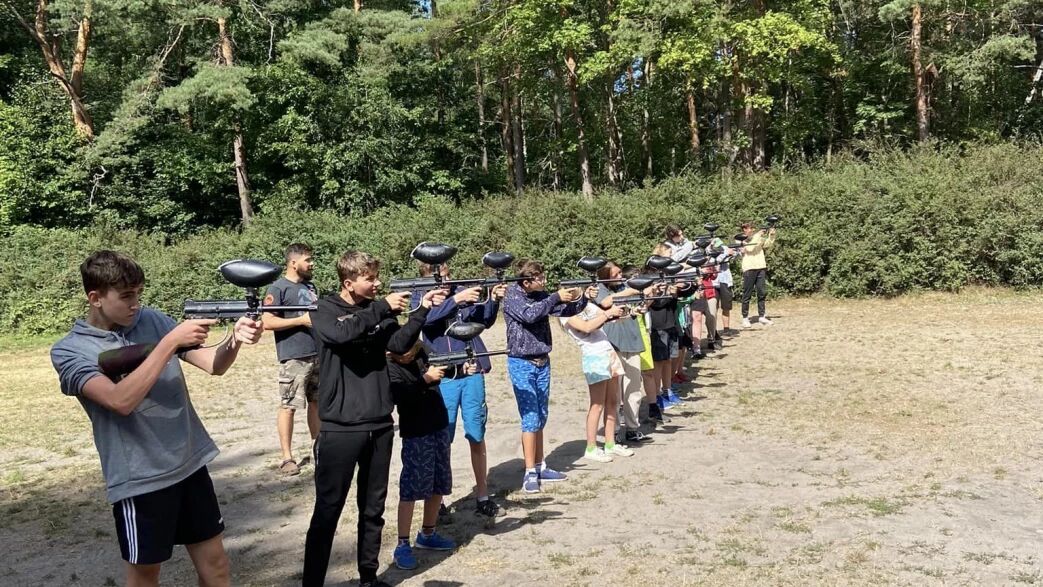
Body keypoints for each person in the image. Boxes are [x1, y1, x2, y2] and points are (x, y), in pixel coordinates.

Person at [50, 250, 263, 587]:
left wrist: (235, 338)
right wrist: (168, 343)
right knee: (145, 577)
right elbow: (120, 401)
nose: (136, 304)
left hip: (189, 463)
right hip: (140, 477)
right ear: (95, 298)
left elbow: (213, 365)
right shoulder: (70, 351)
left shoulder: (150, 319)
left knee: (217, 567)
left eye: (138, 293)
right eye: (126, 296)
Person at [302, 250, 446, 587]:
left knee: (373, 509)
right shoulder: (324, 310)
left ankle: (369, 578)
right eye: (370, 278)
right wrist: (381, 307)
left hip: (380, 424)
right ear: (348, 283)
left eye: (377, 277)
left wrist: (422, 310)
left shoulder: (376, 310)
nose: (377, 283)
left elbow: (398, 343)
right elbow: (340, 334)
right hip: (340, 429)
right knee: (328, 511)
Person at [413, 262, 507, 519]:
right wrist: (455, 299)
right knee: (443, 439)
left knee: (476, 434)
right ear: (427, 278)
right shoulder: (421, 297)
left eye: (448, 276)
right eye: (441, 278)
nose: (446, 281)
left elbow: (483, 321)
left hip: (471, 371)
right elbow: (426, 320)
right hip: (443, 377)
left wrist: (493, 300)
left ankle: (483, 496)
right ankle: (438, 500)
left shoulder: (459, 290)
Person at [502, 259, 591, 494]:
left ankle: (540, 465)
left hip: (543, 361)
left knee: (541, 416)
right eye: (540, 278)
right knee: (530, 417)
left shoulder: (542, 296)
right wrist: (554, 297)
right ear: (526, 281)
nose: (544, 281)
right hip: (522, 362)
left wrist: (584, 298)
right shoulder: (512, 296)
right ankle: (529, 471)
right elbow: (529, 315)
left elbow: (566, 310)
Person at [388, 341, 458, 571]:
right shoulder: (389, 366)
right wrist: (425, 379)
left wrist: (459, 367)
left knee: (439, 481)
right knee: (411, 488)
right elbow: (400, 396)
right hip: (416, 432)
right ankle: (402, 544)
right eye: (402, 354)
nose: (408, 356)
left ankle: (428, 532)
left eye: (411, 351)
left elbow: (446, 364)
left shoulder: (423, 352)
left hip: (438, 424)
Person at [262, 243, 320, 476]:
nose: (312, 264)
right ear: (293, 263)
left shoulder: (310, 286)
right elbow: (267, 322)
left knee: (317, 403)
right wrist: (300, 321)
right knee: (289, 406)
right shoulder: (277, 288)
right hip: (294, 357)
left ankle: (319, 451)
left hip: (317, 354)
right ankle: (287, 458)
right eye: (308, 260)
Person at [559, 300, 633, 462]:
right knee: (597, 404)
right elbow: (587, 327)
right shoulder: (565, 312)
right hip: (594, 357)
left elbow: (608, 317)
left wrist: (629, 312)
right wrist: (608, 313)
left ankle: (610, 443)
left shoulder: (587, 305)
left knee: (613, 402)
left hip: (608, 352)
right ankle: (591, 448)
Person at [594, 262, 653, 444]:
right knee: (614, 392)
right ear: (605, 276)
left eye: (621, 273)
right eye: (616, 274)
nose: (621, 276)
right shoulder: (599, 288)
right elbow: (605, 302)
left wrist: (650, 294)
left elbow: (642, 303)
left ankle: (632, 428)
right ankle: (614, 431)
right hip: (612, 343)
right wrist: (630, 291)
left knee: (633, 389)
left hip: (632, 341)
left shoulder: (625, 287)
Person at [739, 221, 778, 328]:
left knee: (761, 292)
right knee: (747, 294)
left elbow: (768, 244)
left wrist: (771, 234)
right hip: (749, 268)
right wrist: (758, 235)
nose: (751, 230)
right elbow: (749, 248)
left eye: (752, 228)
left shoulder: (757, 237)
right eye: (748, 228)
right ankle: (745, 318)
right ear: (744, 230)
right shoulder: (741, 239)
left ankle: (762, 316)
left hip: (760, 267)